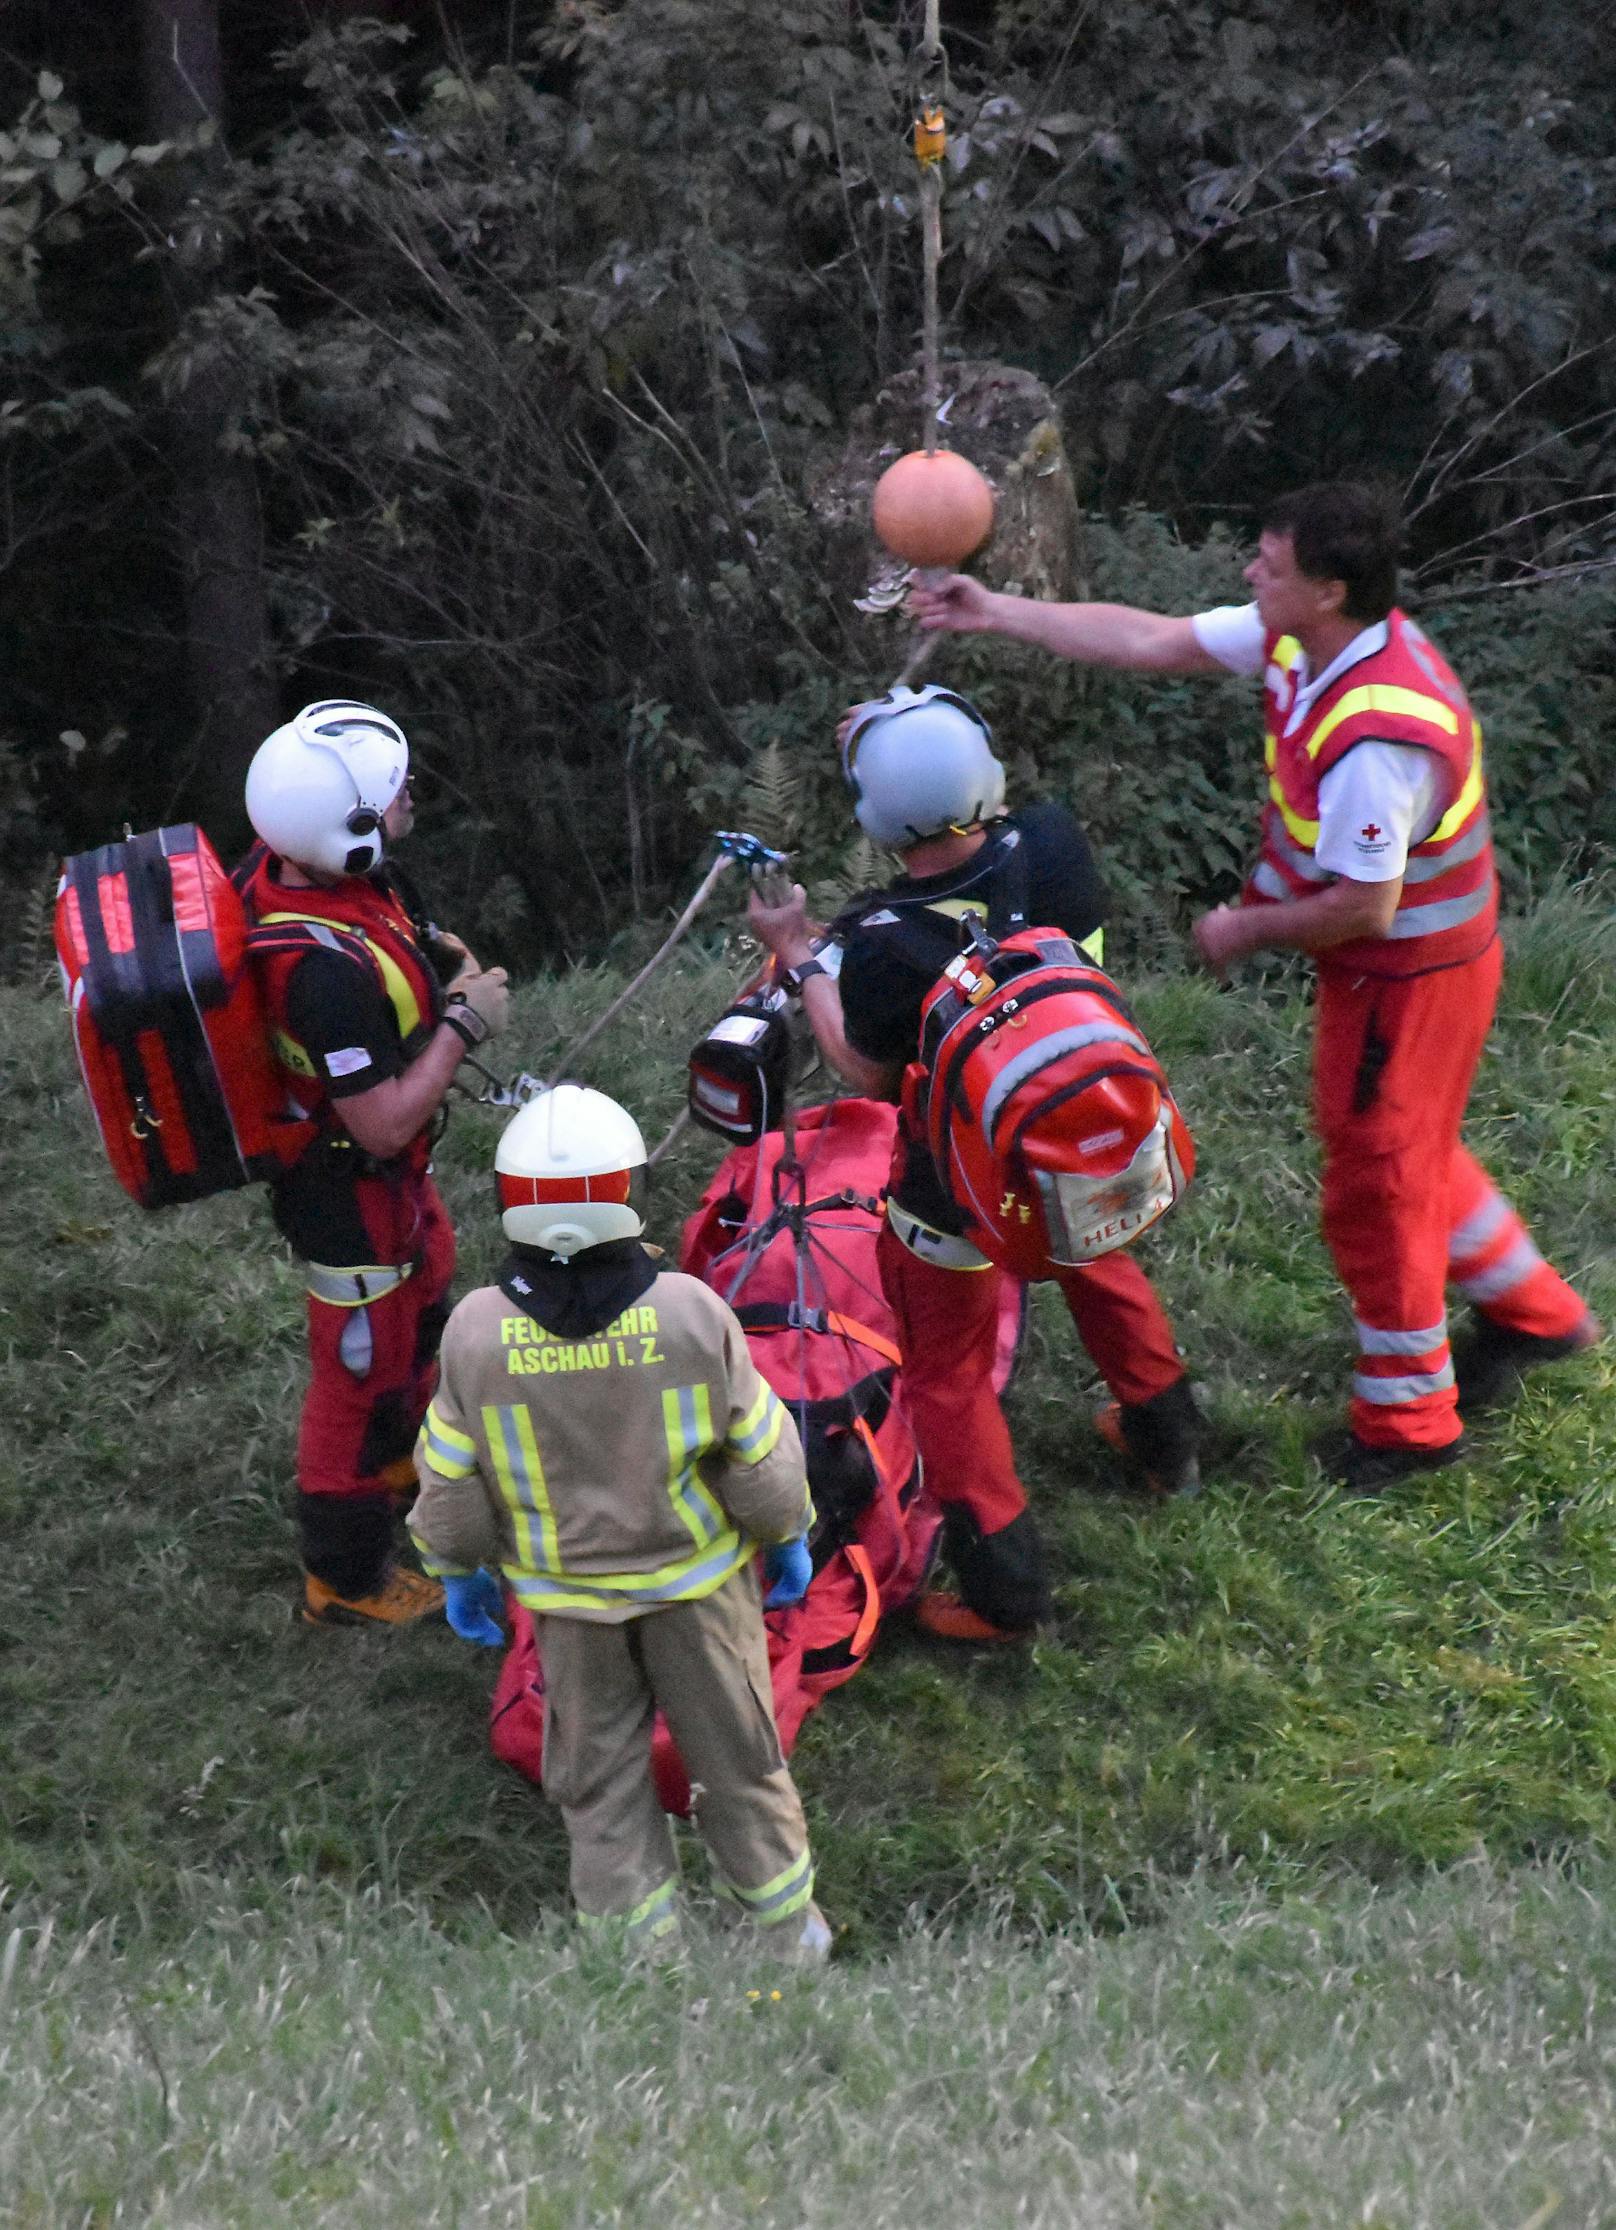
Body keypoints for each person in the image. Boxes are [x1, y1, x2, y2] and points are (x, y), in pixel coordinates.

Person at [912, 483, 1600, 1489]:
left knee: (1377, 1187)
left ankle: (1408, 1424)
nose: (1247, 573)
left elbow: (1364, 905)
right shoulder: (1310, 642)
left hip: (1404, 981)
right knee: (1411, 1150)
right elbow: (1151, 640)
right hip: (1400, 974)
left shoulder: (1377, 734)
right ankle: (1534, 1314)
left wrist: (1244, 927)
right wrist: (994, 611)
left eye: (1266, 564)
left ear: (1324, 590)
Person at [747, 683, 1202, 1647]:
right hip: (1082, 1127)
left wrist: (795, 954)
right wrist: (914, 740)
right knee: (1096, 1255)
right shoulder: (1053, 844)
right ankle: (1167, 1441)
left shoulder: (878, 945)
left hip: (955, 1185)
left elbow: (866, 1068)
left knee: (947, 1376)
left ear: (874, 818)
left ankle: (1006, 1591)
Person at [409, 1084, 829, 1961]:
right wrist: (786, 1533)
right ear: (627, 1191)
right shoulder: (688, 1312)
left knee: (596, 1785)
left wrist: (457, 1570)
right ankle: (789, 1936)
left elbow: (449, 1482)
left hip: (567, 1614)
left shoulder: (476, 1332)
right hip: (701, 1596)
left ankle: (640, 1961)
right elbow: (760, 1457)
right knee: (742, 1763)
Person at [240, 699, 511, 1624]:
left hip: (385, 1184)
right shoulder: (321, 977)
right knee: (355, 1369)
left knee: (423, 1301)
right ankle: (345, 1576)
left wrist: (436, 967)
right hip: (344, 1186)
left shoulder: (310, 875)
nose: (407, 805)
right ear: (341, 830)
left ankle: (404, 1469)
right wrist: (465, 1022)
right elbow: (386, 1120)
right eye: (390, 798)